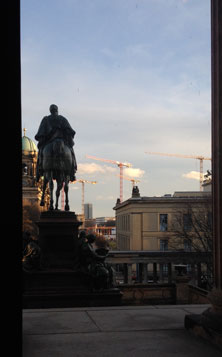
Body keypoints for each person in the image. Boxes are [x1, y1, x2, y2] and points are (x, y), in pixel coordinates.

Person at [35, 104, 77, 181]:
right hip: (62, 141)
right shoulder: (62, 119)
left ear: (50, 111)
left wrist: (44, 138)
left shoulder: (46, 119)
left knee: (40, 152)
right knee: (71, 151)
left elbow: (41, 133)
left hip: (49, 141)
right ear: (57, 110)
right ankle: (72, 172)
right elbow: (69, 130)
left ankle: (38, 171)